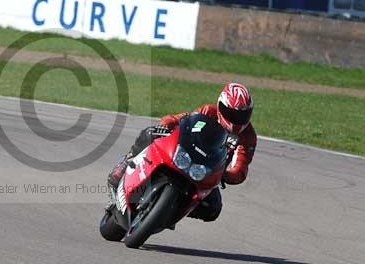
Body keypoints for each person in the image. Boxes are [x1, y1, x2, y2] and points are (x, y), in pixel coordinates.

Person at [107, 83, 257, 223]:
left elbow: (241, 167)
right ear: (220, 106)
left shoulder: (248, 136)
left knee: (213, 208)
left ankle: (171, 210)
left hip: (207, 171)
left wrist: (227, 175)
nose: (236, 119)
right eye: (231, 113)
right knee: (149, 133)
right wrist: (166, 125)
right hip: (184, 154)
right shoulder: (207, 111)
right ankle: (126, 164)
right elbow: (184, 121)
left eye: (242, 115)